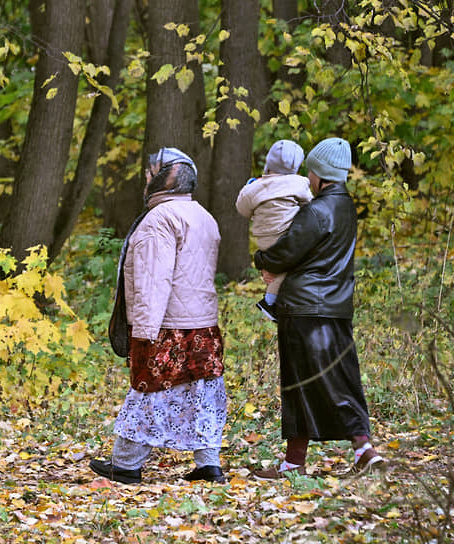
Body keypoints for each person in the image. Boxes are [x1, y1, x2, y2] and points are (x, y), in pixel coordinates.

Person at [89, 148, 228, 485]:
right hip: (203, 323)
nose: (146, 180)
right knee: (202, 391)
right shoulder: (203, 216)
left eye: (151, 174)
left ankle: (124, 465)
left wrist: (145, 330)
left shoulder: (160, 219)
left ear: (167, 177)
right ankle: (209, 464)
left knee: (148, 390)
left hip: (167, 325)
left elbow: (154, 278)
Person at [251, 137, 385, 479]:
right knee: (340, 379)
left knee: (299, 383)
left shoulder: (316, 210)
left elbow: (287, 252)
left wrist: (262, 260)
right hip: (337, 306)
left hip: (304, 308)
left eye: (311, 170)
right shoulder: (345, 207)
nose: (308, 177)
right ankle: (362, 450)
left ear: (321, 174)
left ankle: (295, 464)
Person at [235, 139, 313, 322]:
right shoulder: (299, 183)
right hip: (285, 235)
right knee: (290, 267)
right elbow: (310, 206)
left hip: (263, 239)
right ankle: (270, 302)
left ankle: (271, 300)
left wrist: (250, 185)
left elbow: (242, 208)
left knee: (279, 271)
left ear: (269, 163)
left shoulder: (254, 188)